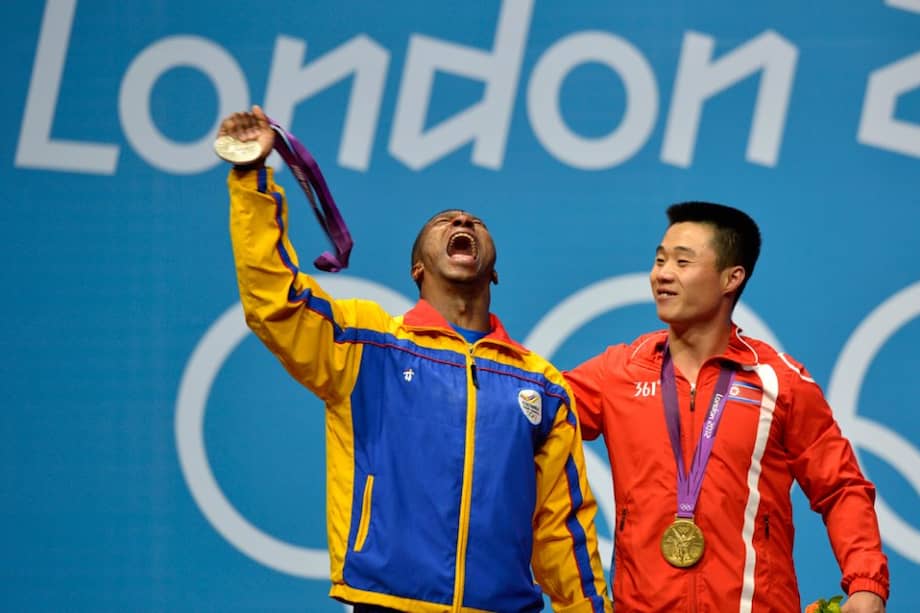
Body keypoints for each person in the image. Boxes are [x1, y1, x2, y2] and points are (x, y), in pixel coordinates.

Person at [221, 106, 612, 613]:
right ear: (417, 268)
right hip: (386, 603)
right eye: (445, 221)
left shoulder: (540, 384)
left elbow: (562, 527)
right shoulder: (368, 345)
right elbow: (273, 299)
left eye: (474, 222)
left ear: (494, 273)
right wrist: (251, 176)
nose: (463, 221)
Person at [565, 202, 889, 612]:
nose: (662, 274)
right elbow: (523, 413)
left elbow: (841, 488)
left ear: (730, 279)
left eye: (683, 262)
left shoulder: (780, 382)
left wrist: (866, 583)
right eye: (660, 260)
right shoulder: (618, 373)